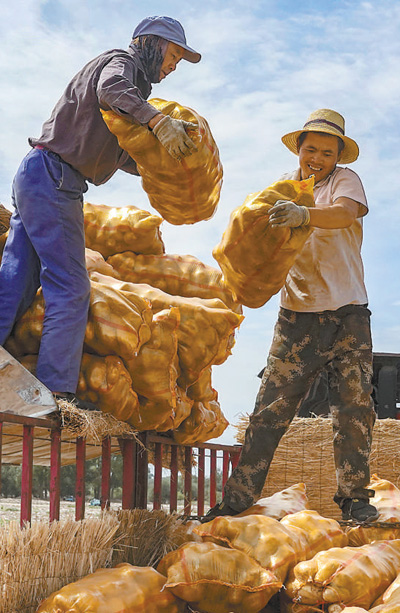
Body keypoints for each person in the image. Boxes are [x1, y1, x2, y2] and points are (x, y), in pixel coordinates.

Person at [0, 16, 201, 410]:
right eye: (173, 54)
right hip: (55, 178)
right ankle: (55, 395)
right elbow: (112, 89)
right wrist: (159, 121)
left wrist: (161, 167)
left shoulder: (128, 95)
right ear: (150, 43)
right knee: (70, 286)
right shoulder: (121, 64)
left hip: (38, 174)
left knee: (17, 279)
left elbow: (120, 154)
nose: (173, 65)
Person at [204, 108, 379, 524]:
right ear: (298, 149)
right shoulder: (281, 191)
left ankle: (354, 499)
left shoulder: (344, 182)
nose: (317, 158)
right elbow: (254, 245)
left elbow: (344, 214)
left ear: (338, 157)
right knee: (269, 411)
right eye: (311, 149)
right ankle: (236, 501)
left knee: (353, 409)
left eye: (327, 153)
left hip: (348, 314)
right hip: (296, 318)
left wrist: (305, 214)